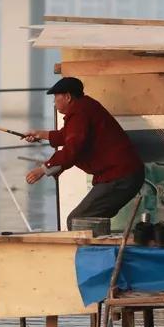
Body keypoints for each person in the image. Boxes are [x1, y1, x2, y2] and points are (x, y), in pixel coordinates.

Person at [24, 77, 144, 230]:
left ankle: (95, 246)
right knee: (88, 220)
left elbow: (72, 149)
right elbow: (68, 135)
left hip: (120, 176)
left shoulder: (79, 113)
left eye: (56, 97)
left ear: (67, 97)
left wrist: (43, 169)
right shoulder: (85, 107)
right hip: (123, 175)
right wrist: (40, 134)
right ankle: (101, 244)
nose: (54, 102)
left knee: (78, 221)